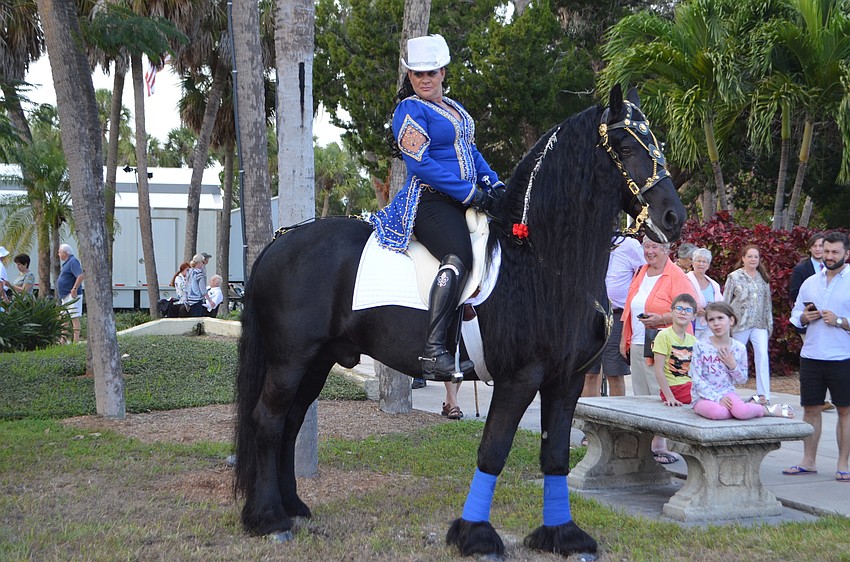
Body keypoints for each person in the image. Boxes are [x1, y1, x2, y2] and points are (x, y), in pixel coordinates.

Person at [371, 34, 505, 381]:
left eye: (431, 72)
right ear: (411, 78)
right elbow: (420, 164)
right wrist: (470, 194)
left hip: (462, 200)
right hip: (429, 201)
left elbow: (470, 152)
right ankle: (434, 351)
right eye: (417, 74)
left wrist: (494, 182)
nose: (425, 79)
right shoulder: (409, 110)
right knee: (458, 256)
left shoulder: (455, 109)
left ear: (443, 71)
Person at [620, 235, 697, 464]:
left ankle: (662, 443)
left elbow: (690, 306)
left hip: (665, 343)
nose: (649, 251)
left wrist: (662, 318)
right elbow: (629, 307)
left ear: (666, 249)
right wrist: (625, 338)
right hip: (638, 340)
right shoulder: (641, 272)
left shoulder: (676, 275)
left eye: (654, 246)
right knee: (642, 393)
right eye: (646, 246)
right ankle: (645, 445)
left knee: (662, 392)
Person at [785, 231, 850, 482]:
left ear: (846, 254)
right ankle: (808, 461)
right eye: (826, 251)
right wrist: (803, 317)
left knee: (845, 411)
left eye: (835, 252)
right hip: (811, 354)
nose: (830, 256)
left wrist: (841, 321)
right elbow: (795, 313)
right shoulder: (811, 281)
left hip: (843, 357)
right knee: (810, 409)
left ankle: (843, 463)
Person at [691, 302, 794, 420]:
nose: (716, 323)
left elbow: (742, 379)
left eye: (720, 318)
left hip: (727, 393)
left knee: (742, 413)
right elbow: (696, 378)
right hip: (703, 397)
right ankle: (745, 406)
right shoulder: (700, 345)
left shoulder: (739, 348)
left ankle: (764, 409)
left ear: (731, 320)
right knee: (718, 413)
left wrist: (732, 365)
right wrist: (717, 398)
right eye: (711, 320)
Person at [582, 234, 645, 398]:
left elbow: (644, 275)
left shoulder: (629, 245)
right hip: (590, 316)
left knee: (614, 372)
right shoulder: (588, 242)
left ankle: (616, 420)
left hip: (617, 316)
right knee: (588, 373)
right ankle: (588, 418)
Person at [724, 245, 773, 405]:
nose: (753, 260)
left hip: (759, 324)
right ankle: (726, 392)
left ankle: (764, 395)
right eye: (750, 256)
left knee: (762, 357)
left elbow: (767, 304)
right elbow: (726, 301)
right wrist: (725, 322)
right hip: (740, 324)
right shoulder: (734, 277)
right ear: (743, 258)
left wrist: (769, 324)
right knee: (734, 356)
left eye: (756, 257)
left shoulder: (763, 278)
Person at [652, 293, 698, 408]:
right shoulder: (664, 336)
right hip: (673, 388)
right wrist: (670, 397)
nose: (683, 312)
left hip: (690, 386)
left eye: (688, 310)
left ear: (694, 316)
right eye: (679, 309)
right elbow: (658, 370)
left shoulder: (694, 340)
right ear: (671, 312)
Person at [686, 248, 723, 341]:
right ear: (693, 262)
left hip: (708, 327)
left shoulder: (714, 285)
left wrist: (708, 312)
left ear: (708, 265)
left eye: (705, 262)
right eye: (698, 261)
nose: (701, 264)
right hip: (688, 325)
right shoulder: (685, 280)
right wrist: (694, 309)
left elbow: (720, 306)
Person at [57, 243, 85, 343]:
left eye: (59, 252)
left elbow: (80, 275)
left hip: (72, 295)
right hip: (65, 296)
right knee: (63, 318)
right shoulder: (67, 263)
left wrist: (74, 288)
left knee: (74, 317)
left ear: (65, 253)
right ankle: (62, 340)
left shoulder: (73, 261)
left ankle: (76, 341)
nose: (58, 254)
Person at [789, 233, 825, 306]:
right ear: (809, 248)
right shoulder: (799, 270)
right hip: (810, 312)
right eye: (814, 246)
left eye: (821, 246)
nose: (817, 249)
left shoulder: (834, 268)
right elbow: (794, 294)